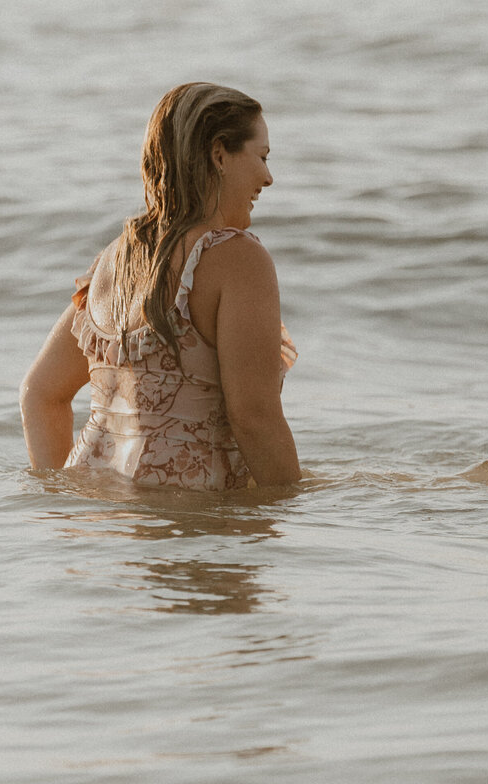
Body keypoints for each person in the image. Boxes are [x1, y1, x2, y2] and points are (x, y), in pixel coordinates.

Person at [20, 82, 300, 489]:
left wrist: (58, 495)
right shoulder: (237, 258)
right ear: (220, 154)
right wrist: (295, 517)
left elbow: (40, 392)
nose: (268, 178)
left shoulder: (114, 260)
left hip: (106, 530)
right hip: (191, 527)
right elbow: (254, 417)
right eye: (261, 157)